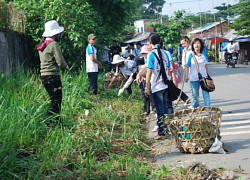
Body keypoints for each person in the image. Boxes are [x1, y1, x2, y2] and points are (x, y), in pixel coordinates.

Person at [37, 20, 69, 121]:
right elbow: (60, 61)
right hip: (53, 76)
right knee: (56, 102)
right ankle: (49, 122)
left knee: (54, 100)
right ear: (55, 33)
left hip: (44, 76)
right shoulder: (53, 44)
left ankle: (53, 123)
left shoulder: (43, 44)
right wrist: (66, 67)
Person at [144, 33, 172, 136]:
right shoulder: (165, 53)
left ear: (150, 43)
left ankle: (161, 131)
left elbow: (149, 71)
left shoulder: (151, 55)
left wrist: (147, 87)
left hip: (156, 86)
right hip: (165, 85)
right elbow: (169, 69)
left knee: (160, 110)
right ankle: (165, 128)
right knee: (164, 108)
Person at [184, 38, 211, 108]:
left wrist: (207, 76)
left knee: (206, 94)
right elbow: (187, 66)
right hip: (194, 78)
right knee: (195, 95)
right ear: (192, 45)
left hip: (203, 78)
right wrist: (186, 75)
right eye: (195, 43)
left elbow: (206, 65)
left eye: (198, 43)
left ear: (201, 45)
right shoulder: (190, 55)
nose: (197, 45)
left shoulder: (203, 54)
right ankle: (194, 106)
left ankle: (208, 108)